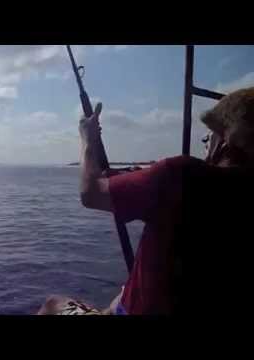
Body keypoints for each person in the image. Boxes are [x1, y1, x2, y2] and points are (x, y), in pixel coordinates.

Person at [37, 87, 254, 315]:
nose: (205, 143)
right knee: (118, 298)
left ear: (226, 141)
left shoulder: (180, 175)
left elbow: (91, 193)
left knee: (54, 304)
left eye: (209, 136)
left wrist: (88, 139)